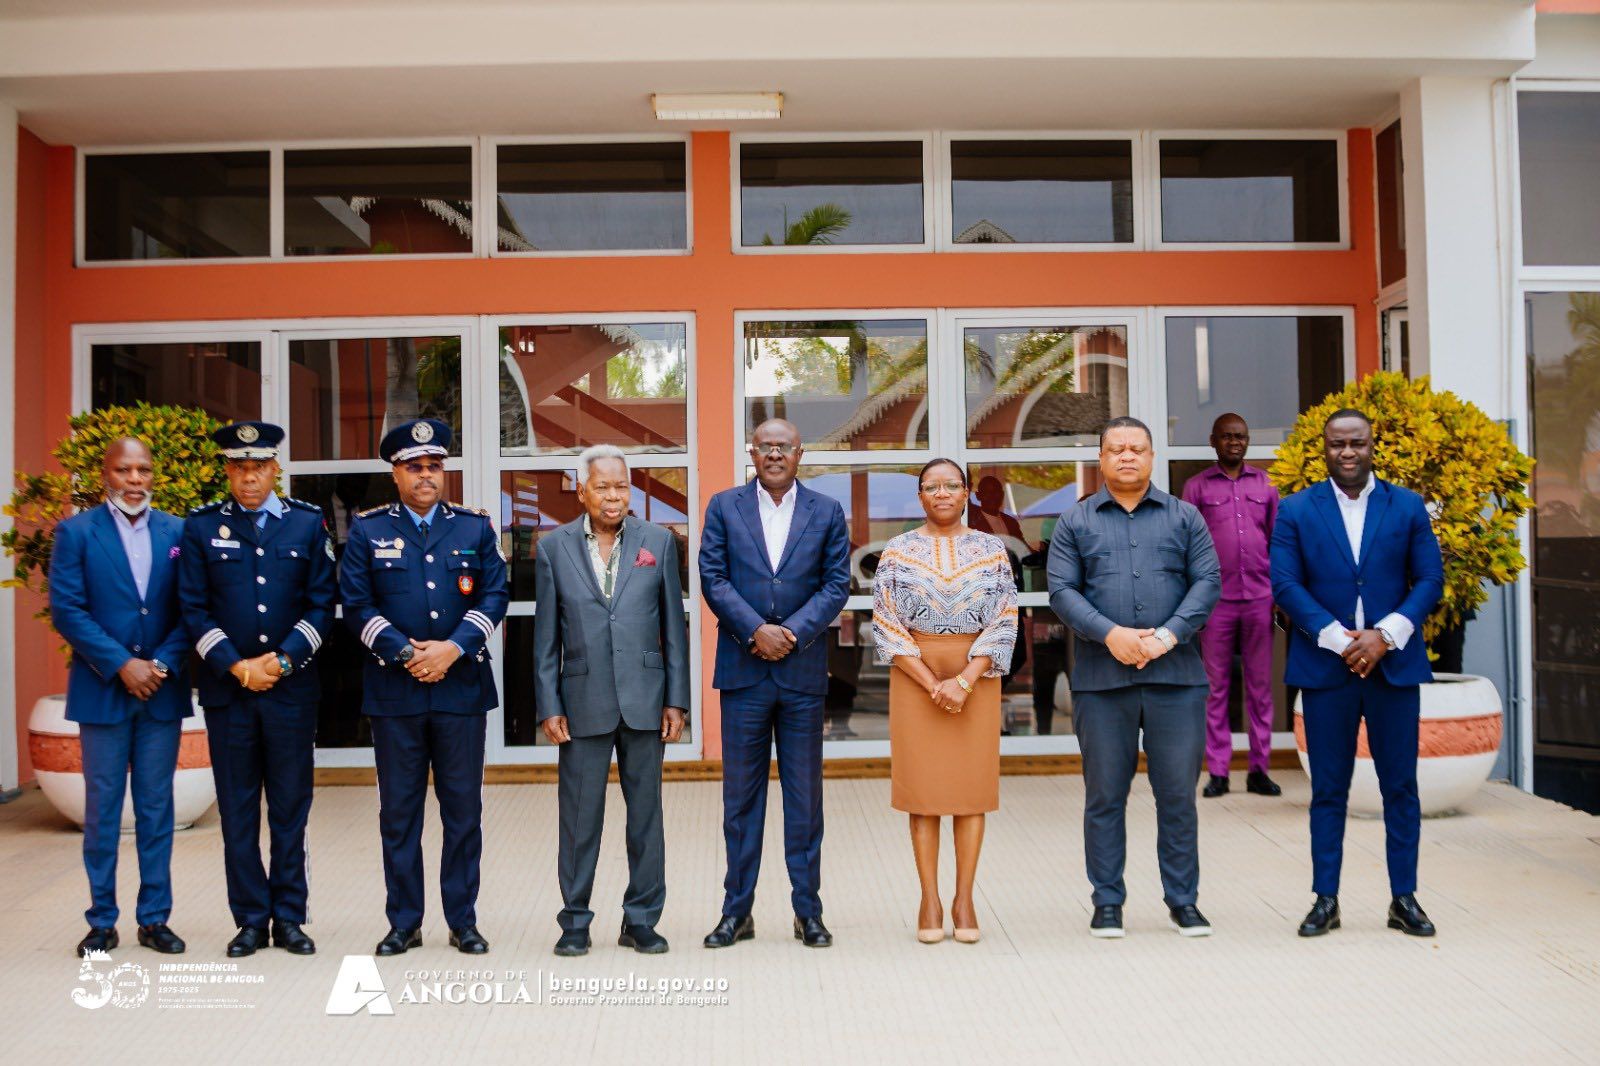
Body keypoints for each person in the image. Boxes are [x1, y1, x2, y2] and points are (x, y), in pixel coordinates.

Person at [1270, 408, 1443, 939]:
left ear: (1372, 446)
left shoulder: (1407, 505)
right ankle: (1326, 899)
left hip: (1394, 668)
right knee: (1328, 789)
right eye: (1338, 444)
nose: (1347, 452)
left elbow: (1429, 580)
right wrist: (1339, 639)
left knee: (1401, 787)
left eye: (1357, 443)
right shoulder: (1296, 509)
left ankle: (1404, 899)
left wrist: (1385, 635)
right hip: (1327, 668)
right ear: (1324, 448)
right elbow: (1286, 585)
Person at [1046, 416, 1221, 939]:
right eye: (1117, 448)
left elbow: (1208, 581)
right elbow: (1062, 592)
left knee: (1178, 796)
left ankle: (1183, 902)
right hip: (1102, 682)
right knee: (1104, 796)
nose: (1127, 456)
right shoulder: (1074, 522)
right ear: (1101, 459)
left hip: (1177, 679)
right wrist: (1111, 635)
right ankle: (1107, 902)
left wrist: (1167, 636)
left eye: (1137, 449)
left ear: (1151, 458)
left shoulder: (1185, 517)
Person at [339, 418, 509, 956]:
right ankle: (404, 922)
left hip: (461, 691)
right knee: (399, 814)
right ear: (396, 474)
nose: (426, 475)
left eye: (434, 466)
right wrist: (407, 653)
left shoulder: (474, 528)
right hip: (396, 692)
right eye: (415, 467)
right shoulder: (367, 531)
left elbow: (495, 595)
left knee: (462, 812)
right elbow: (356, 605)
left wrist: (452, 648)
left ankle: (463, 921)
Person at [177, 421, 336, 957]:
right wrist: (236, 666)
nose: (250, 477)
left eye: (259, 467)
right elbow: (193, 608)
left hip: (291, 694)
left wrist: (283, 660)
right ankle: (249, 919)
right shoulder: (201, 527)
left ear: (275, 469)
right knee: (238, 811)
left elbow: (322, 604)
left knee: (290, 809)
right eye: (240, 467)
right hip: (231, 695)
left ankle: (289, 917)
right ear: (227, 471)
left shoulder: (306, 524)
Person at [698, 418, 850, 949]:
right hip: (744, 673)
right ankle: (736, 913)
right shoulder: (724, 507)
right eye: (766, 446)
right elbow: (713, 577)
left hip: (801, 673)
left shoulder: (826, 511)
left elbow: (836, 584)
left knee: (804, 800)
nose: (775, 454)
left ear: (800, 453)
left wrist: (792, 633)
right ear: (753, 453)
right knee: (741, 802)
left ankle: (808, 912)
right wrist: (755, 630)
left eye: (784, 446)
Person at [534, 445, 691, 957]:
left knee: (646, 818)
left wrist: (677, 699)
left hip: (646, 699)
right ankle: (575, 921)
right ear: (582, 491)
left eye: (621, 486)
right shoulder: (553, 548)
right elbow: (545, 638)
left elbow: (674, 627)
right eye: (602, 487)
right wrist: (549, 704)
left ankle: (640, 920)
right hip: (582, 701)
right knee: (579, 819)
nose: (613, 496)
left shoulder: (658, 542)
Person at [49, 437, 191, 957]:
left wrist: (159, 664)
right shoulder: (76, 532)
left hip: (161, 691)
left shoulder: (178, 531)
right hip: (102, 690)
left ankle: (154, 920)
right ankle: (101, 921)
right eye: (124, 470)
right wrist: (120, 665)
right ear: (104, 474)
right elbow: (67, 609)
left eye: (143, 470)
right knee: (102, 812)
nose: (134, 480)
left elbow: (192, 608)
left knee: (156, 809)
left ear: (154, 475)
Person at [872, 459, 1017, 944]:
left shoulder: (992, 549)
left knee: (971, 792)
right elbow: (885, 623)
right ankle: (930, 899)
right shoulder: (897, 551)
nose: (941, 493)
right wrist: (933, 682)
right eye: (931, 486)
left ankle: (964, 899)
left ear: (966, 492)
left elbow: (1005, 618)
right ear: (919, 496)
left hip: (978, 673)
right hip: (915, 675)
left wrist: (965, 681)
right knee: (925, 792)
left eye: (951, 485)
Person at [1181, 413, 1283, 798]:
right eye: (1227, 436)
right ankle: (1219, 772)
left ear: (1247, 440)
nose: (1234, 442)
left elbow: (1278, 541)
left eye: (1240, 436)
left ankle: (1259, 770)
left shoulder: (1267, 484)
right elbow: (1187, 546)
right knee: (1215, 688)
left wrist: (1279, 595)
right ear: (1213, 441)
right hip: (1216, 601)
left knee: (1260, 688)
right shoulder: (1196, 487)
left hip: (1260, 599)